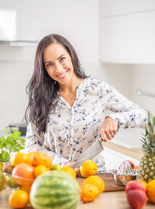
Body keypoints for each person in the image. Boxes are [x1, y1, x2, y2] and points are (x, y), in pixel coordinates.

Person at [25, 33, 147, 174]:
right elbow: (31, 146)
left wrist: (114, 118)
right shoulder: (41, 97)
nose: (58, 69)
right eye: (49, 64)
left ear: (71, 55)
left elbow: (141, 114)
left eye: (62, 59)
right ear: (44, 69)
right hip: (56, 176)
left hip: (94, 176)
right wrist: (63, 163)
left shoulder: (98, 89)